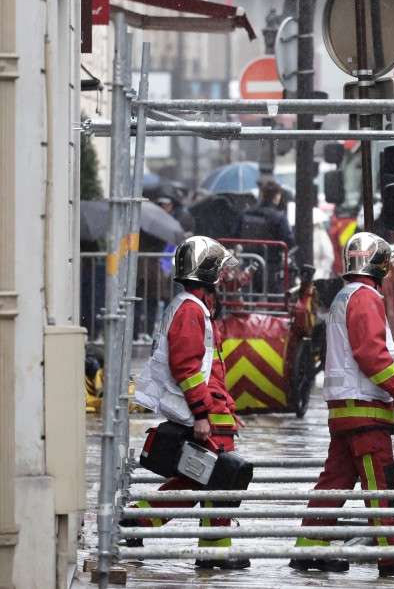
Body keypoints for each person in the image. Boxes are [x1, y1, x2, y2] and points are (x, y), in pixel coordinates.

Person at [289, 232, 394, 578]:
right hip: (365, 409)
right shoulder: (367, 297)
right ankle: (393, 556)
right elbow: (372, 353)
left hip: (346, 410)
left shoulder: (345, 296)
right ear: (379, 265)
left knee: (334, 483)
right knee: (381, 483)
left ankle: (311, 550)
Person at [129, 236, 248, 570]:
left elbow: (206, 371)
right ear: (207, 271)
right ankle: (213, 551)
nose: (223, 277)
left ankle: (142, 521)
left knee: (205, 478)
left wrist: (226, 410)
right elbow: (188, 368)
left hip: (211, 407)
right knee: (219, 477)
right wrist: (202, 413)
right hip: (203, 410)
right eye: (220, 270)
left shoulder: (192, 308)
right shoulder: (190, 311)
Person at [238, 179, 295, 293]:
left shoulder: (246, 214)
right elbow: (289, 241)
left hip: (248, 264)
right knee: (275, 301)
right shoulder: (279, 217)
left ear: (262, 195)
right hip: (271, 266)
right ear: (277, 196)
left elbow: (236, 234)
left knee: (248, 297)